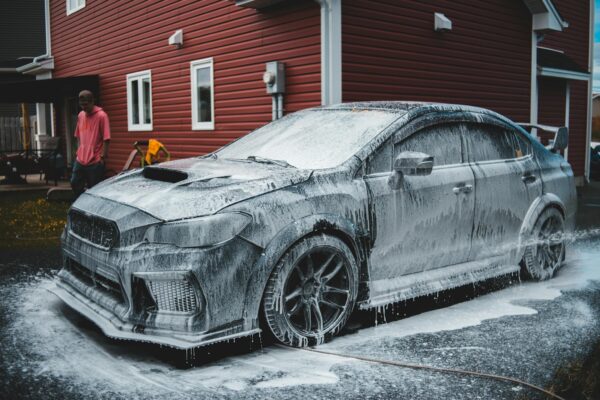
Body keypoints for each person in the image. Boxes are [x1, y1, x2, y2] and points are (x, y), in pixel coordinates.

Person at [70, 90, 111, 197]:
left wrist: (102, 157)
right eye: (81, 104)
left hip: (95, 161)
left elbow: (106, 138)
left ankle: (93, 210)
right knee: (75, 183)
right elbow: (78, 136)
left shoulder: (102, 116)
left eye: (86, 104)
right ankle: (82, 204)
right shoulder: (80, 115)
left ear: (93, 101)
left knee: (95, 190)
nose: (84, 107)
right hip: (80, 160)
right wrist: (78, 151)